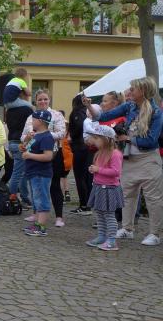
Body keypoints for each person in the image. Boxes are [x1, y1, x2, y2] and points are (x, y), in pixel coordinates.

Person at [85, 76, 163, 246]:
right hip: (129, 159)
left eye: (133, 88)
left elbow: (151, 140)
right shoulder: (129, 106)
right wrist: (89, 106)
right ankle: (127, 229)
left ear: (143, 90)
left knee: (153, 198)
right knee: (127, 195)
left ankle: (155, 233)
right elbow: (104, 116)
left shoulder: (156, 112)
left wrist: (128, 138)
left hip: (149, 159)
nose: (129, 91)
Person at [22, 89, 67, 227]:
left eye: (45, 99)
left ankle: (59, 217)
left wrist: (43, 135)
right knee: (35, 186)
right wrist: (28, 137)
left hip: (53, 152)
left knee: (54, 185)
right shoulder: (31, 117)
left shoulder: (57, 114)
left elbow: (62, 133)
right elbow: (23, 136)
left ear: (49, 100)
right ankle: (36, 214)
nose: (43, 101)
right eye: (40, 99)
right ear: (36, 101)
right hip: (34, 153)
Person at [83, 122, 123, 251]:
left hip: (109, 189)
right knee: (99, 214)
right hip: (99, 187)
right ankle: (101, 236)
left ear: (106, 139)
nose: (93, 141)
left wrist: (98, 169)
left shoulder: (115, 154)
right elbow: (101, 169)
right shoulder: (100, 153)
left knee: (109, 215)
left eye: (96, 138)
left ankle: (111, 240)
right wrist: (93, 170)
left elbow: (116, 172)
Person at [22, 110, 56, 236]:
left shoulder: (47, 137)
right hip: (33, 172)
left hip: (41, 173)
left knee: (42, 199)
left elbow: (48, 156)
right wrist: (27, 140)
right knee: (37, 199)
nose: (32, 122)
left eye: (33, 119)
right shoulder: (36, 135)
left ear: (40, 121)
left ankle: (41, 227)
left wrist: (30, 155)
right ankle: (37, 223)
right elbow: (25, 148)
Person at [4, 85, 34, 207]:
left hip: (12, 142)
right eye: (27, 95)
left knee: (21, 172)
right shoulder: (27, 109)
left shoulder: (9, 110)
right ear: (22, 95)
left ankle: (24, 198)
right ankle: (14, 198)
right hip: (21, 143)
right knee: (18, 173)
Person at [69, 95, 93, 215]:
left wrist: (72, 135)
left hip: (79, 147)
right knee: (88, 177)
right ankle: (88, 204)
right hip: (88, 147)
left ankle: (83, 205)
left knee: (80, 177)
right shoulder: (88, 112)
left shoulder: (77, 112)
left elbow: (79, 126)